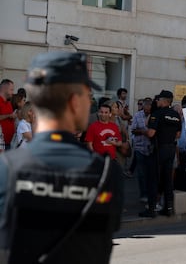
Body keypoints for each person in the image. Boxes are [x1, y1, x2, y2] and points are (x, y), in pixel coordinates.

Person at [0, 51, 123, 264]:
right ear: (74, 101)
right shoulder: (105, 174)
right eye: (88, 96)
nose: (89, 103)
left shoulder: (6, 169)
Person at [139, 90, 181, 218]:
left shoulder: (157, 114)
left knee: (153, 179)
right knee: (167, 179)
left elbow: (151, 133)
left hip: (159, 149)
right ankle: (168, 208)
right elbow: (178, 135)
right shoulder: (176, 114)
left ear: (163, 100)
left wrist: (142, 131)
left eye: (158, 100)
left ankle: (151, 209)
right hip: (170, 149)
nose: (156, 102)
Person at [0, 79, 16, 150]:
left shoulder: (9, 102)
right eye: (11, 90)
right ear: (4, 89)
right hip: (1, 144)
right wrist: (9, 115)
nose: (12, 92)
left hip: (9, 142)